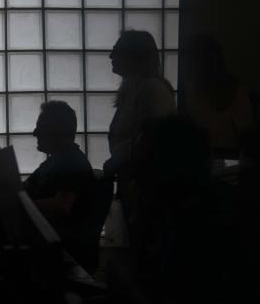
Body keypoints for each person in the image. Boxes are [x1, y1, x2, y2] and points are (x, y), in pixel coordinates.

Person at [24, 100, 100, 271]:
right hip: (49, 239)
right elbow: (25, 187)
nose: (35, 132)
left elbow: (62, 205)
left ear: (58, 132)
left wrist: (20, 204)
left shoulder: (73, 163)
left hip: (62, 252)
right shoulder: (55, 160)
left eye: (40, 127)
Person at [104, 30, 176, 182]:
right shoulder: (134, 89)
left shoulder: (151, 89)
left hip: (148, 181)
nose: (111, 56)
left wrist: (118, 160)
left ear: (134, 55)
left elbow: (151, 139)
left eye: (116, 51)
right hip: (135, 178)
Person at [186, 34, 253, 153]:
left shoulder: (235, 91)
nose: (192, 64)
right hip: (208, 156)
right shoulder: (192, 89)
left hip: (227, 156)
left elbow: (246, 135)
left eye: (197, 59)